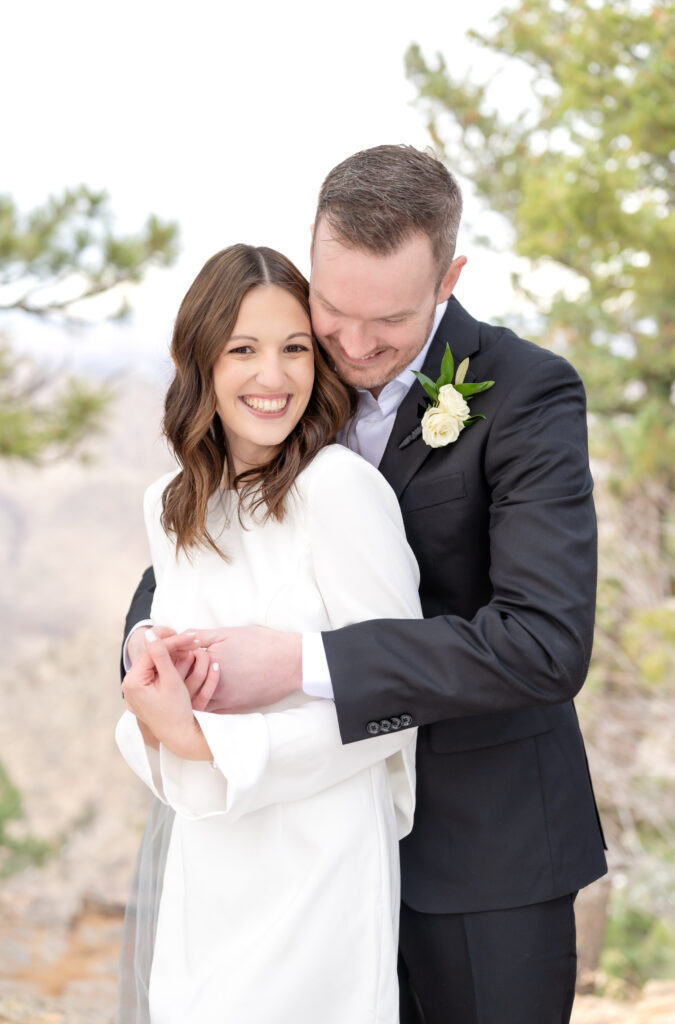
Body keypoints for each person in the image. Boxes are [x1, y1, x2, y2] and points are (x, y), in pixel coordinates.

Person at [124, 146, 608, 1024]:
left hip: (482, 853)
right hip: (305, 848)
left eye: (385, 322)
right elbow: (201, 545)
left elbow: (544, 645)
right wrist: (148, 652)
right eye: (332, 310)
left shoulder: (529, 395)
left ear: (448, 276)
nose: (351, 345)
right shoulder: (294, 382)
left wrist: (302, 662)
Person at [116, 243, 423, 1023]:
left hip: (321, 862)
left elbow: (400, 694)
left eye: (293, 349)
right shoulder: (169, 505)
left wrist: (209, 746)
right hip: (211, 859)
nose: (273, 376)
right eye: (242, 350)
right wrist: (154, 670)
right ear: (201, 364)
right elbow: (177, 686)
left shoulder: (341, 492)